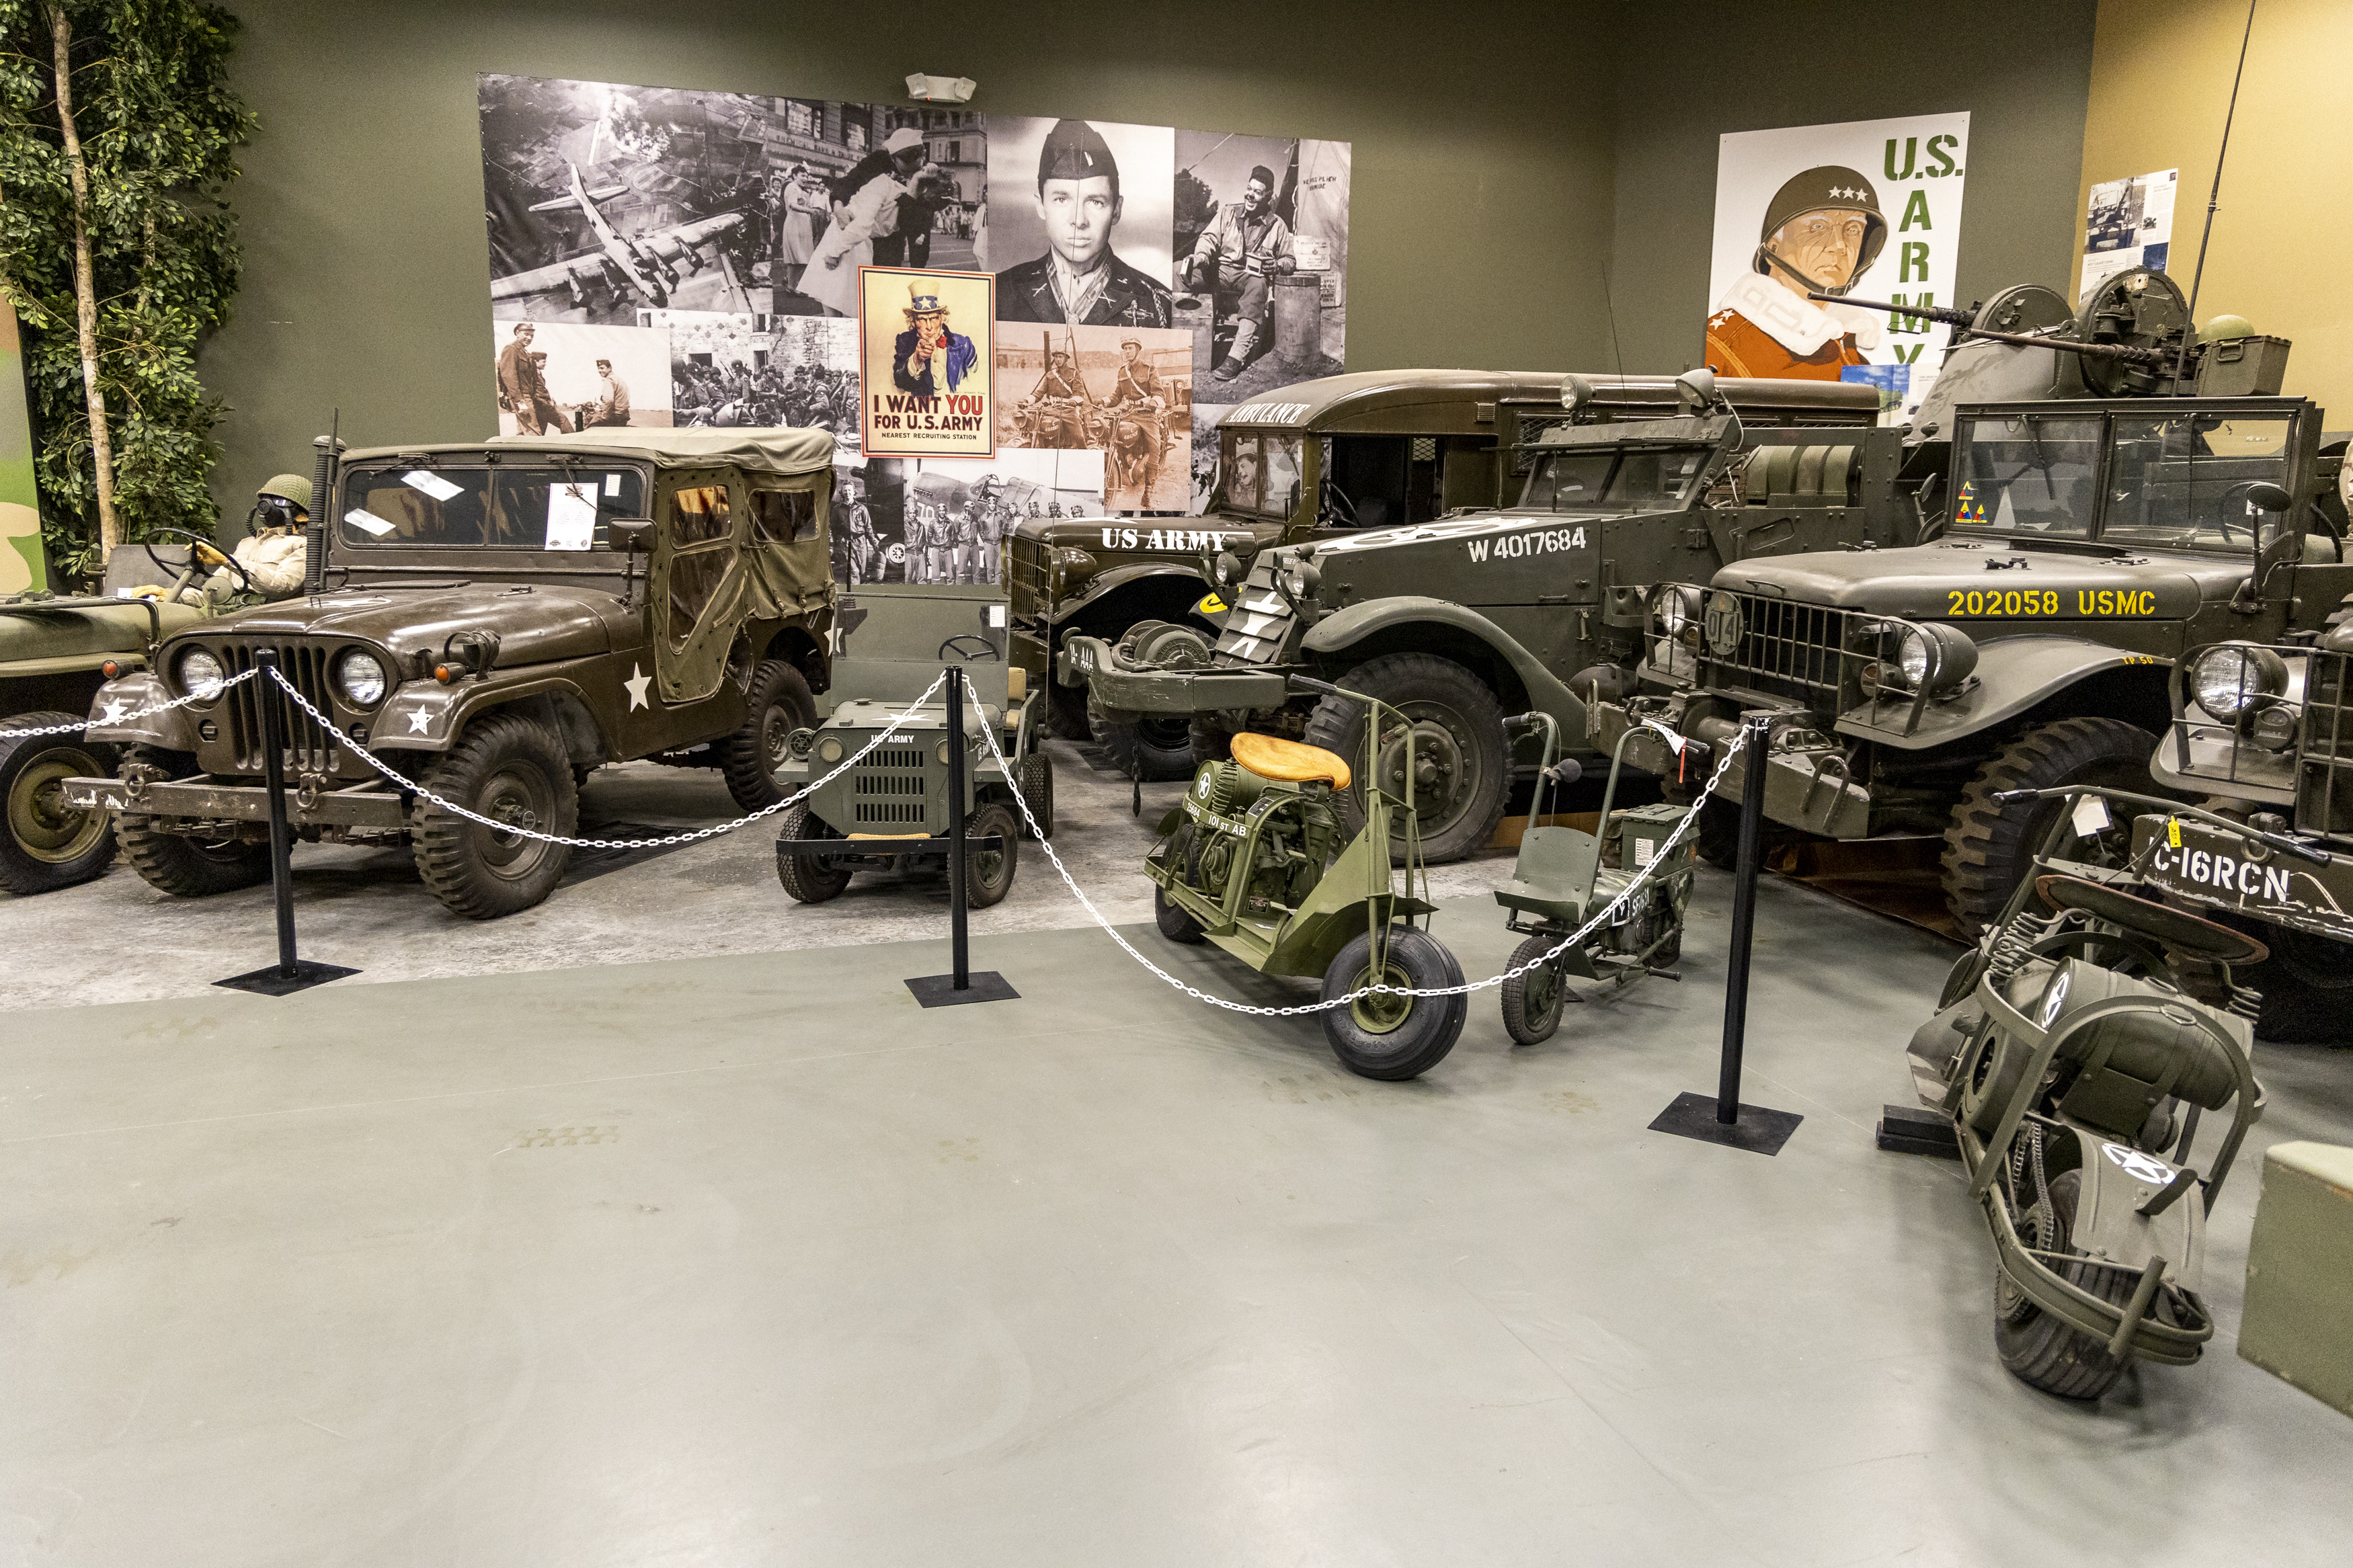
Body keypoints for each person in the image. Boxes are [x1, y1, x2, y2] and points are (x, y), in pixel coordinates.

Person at [1704, 166, 1887, 381]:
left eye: (1853, 230)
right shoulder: (1720, 346)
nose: (1839, 245)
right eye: (1818, 227)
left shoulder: (1853, 356)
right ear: (1773, 248)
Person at [996, 120, 1172, 328]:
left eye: (1096, 202)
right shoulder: (999, 293)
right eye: (1061, 200)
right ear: (1041, 205)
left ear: (1117, 210)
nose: (1079, 221)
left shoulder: (1159, 303)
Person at [1184, 163, 1295, 380]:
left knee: (1259, 285)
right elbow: (1209, 238)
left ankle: (1235, 357)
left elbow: (1290, 260)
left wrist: (1278, 265)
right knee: (1183, 272)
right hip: (1221, 272)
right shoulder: (1228, 213)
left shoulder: (1278, 225)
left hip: (1249, 278)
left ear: (1268, 197)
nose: (1251, 196)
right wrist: (1202, 256)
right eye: (1249, 189)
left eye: (1258, 192)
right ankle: (1188, 342)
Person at [804, 127, 925, 317]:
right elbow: (849, 183)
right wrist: (838, 206)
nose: (915, 164)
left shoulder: (922, 175)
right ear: (893, 158)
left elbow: (914, 221)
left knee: (869, 300)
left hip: (884, 240)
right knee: (835, 294)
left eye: (919, 158)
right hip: (854, 232)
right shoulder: (878, 171)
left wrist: (919, 266)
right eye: (907, 161)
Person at [210, 475, 312, 599]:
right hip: (227, 609)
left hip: (267, 613)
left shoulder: (303, 545)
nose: (267, 505)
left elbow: (282, 586)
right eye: (265, 498)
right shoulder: (246, 543)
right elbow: (211, 592)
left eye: (280, 501)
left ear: (302, 516)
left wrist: (227, 561)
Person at [892, 280, 981, 397]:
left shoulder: (963, 344)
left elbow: (977, 383)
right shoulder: (905, 341)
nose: (929, 327)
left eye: (934, 318)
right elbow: (900, 382)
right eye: (922, 320)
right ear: (913, 323)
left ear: (942, 319)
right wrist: (917, 358)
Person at [495, 323, 567, 434]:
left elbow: (534, 380)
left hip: (531, 397)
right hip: (522, 397)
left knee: (526, 433)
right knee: (534, 432)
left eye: (532, 336)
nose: (529, 338)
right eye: (526, 334)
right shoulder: (511, 349)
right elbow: (509, 376)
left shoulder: (526, 354)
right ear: (517, 333)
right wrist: (519, 400)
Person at [1026, 350, 1088, 448]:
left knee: (1079, 437)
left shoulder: (1073, 373)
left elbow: (1079, 393)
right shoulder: (1051, 374)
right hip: (1052, 409)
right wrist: (1027, 401)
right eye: (1056, 357)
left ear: (1066, 358)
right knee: (1034, 428)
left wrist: (1074, 401)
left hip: (1068, 410)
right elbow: (1040, 392)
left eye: (1060, 357)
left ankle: (1085, 456)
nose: (1058, 360)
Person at [583, 358, 631, 427]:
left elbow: (609, 401)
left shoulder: (609, 380)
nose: (600, 371)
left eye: (602, 368)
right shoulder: (618, 379)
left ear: (609, 368)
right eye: (599, 369)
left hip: (615, 417)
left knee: (589, 426)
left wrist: (604, 417)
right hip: (623, 416)